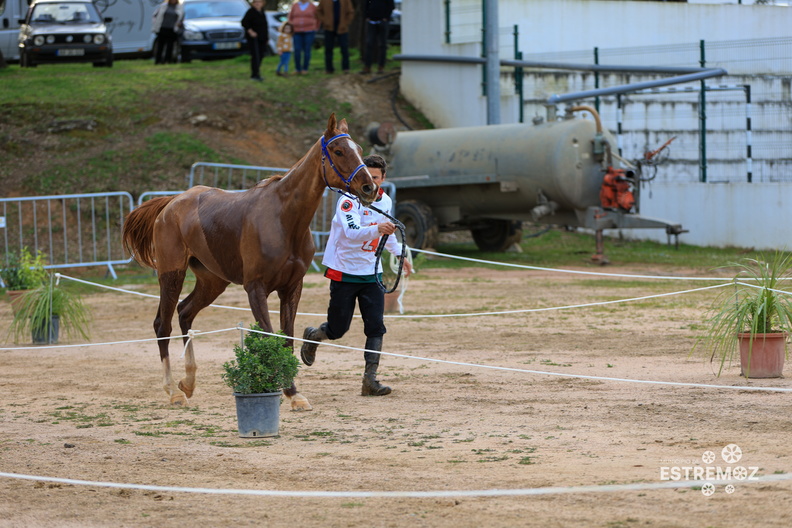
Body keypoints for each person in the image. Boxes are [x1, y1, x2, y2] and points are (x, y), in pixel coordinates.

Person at [300, 154, 412, 397]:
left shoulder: (385, 202)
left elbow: (388, 232)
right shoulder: (348, 200)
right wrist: (377, 228)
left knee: (376, 327)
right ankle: (315, 335)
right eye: (367, 176)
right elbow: (352, 232)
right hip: (344, 272)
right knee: (338, 328)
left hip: (372, 273)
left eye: (375, 177)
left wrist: (399, 254)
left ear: (383, 178)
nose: (370, 182)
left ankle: (369, 380)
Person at [316, 0, 354, 74]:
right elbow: (318, 11)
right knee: (328, 48)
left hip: (342, 28)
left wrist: (346, 23)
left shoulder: (346, 1)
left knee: (344, 48)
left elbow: (350, 12)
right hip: (329, 28)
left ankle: (346, 68)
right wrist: (324, 20)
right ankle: (329, 68)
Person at [361, 0, 394, 74]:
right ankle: (367, 66)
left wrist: (386, 18)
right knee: (369, 43)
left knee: (382, 44)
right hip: (371, 22)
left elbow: (391, 6)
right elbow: (366, 5)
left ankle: (381, 67)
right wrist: (367, 16)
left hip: (382, 22)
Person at [287, 0, 319, 75]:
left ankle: (305, 68)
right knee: (297, 50)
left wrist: (315, 27)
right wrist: (292, 25)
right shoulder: (295, 5)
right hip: (296, 31)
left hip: (309, 31)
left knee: (307, 50)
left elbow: (318, 18)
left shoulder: (313, 6)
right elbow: (290, 17)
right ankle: (297, 69)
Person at [241, 0, 269, 81]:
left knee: (261, 55)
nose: (257, 4)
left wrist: (266, 38)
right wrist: (251, 31)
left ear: (262, 3)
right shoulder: (251, 12)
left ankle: (257, 72)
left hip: (262, 38)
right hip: (254, 38)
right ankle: (254, 75)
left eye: (259, 2)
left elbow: (265, 25)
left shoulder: (262, 12)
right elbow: (244, 22)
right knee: (255, 56)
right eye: (255, 2)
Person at [151, 0, 184, 65]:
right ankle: (158, 61)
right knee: (160, 46)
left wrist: (179, 25)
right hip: (162, 28)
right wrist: (155, 25)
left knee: (170, 46)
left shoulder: (179, 7)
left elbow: (181, 18)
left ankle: (168, 60)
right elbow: (155, 15)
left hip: (172, 29)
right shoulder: (163, 6)